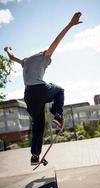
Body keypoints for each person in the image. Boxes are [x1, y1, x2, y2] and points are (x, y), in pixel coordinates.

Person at [4, 12, 82, 165]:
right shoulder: (45, 56)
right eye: (48, 63)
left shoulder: (25, 61)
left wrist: (7, 49)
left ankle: (34, 155)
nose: (47, 65)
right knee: (60, 90)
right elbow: (56, 40)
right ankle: (57, 114)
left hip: (28, 97)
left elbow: (12, 57)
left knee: (38, 125)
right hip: (40, 89)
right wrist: (70, 24)